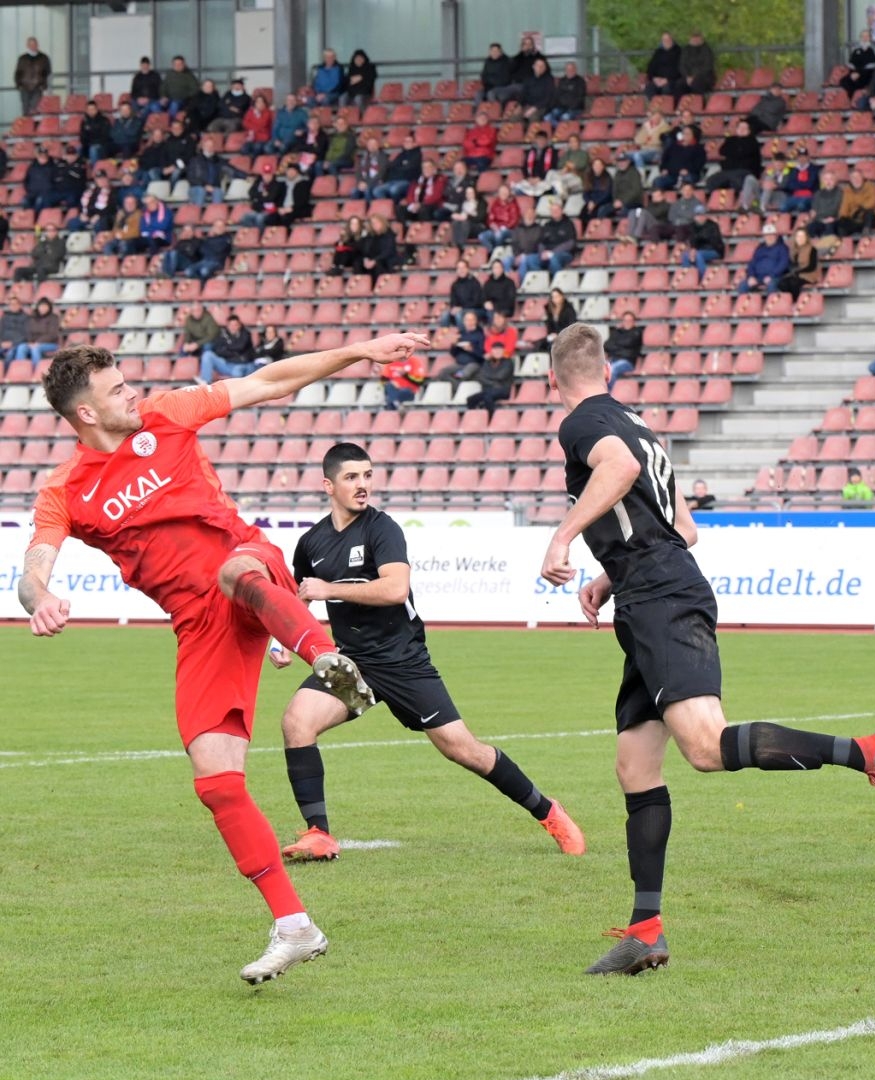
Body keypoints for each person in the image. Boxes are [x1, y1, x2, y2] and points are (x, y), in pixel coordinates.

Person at [19, 334, 429, 983]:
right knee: (215, 781)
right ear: (87, 414)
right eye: (117, 390)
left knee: (236, 571)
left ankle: (330, 661)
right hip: (199, 625)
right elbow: (33, 565)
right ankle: (295, 926)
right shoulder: (67, 490)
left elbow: (271, 381)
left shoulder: (170, 414)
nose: (133, 392)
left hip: (247, 563)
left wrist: (360, 351)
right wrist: (40, 595)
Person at [541, 323, 875, 974]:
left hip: (661, 598)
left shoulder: (581, 425)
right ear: (608, 370)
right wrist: (610, 575)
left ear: (555, 382)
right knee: (635, 765)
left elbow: (620, 471)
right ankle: (646, 929)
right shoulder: (642, 428)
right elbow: (683, 526)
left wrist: (562, 538)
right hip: (646, 593)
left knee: (706, 747)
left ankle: (866, 752)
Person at [276, 442, 583, 861]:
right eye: (352, 477)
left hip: (403, 662)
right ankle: (319, 834)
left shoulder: (382, 529)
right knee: (297, 721)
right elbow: (298, 600)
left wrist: (328, 588)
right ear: (328, 485)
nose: (362, 485)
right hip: (354, 663)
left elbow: (394, 588)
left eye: (367, 475)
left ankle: (549, 812)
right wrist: (282, 642)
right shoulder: (312, 542)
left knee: (464, 750)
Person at [199, 314, 257, 384]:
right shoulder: (222, 334)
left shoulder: (245, 334)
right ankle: (205, 382)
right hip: (227, 363)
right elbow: (218, 350)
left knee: (238, 372)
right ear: (228, 326)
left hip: (240, 364)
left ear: (239, 325)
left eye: (235, 325)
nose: (233, 327)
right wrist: (232, 352)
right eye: (231, 325)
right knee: (207, 354)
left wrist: (227, 347)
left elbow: (240, 347)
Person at [737, 223, 791, 294]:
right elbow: (752, 263)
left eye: (771, 234)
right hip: (758, 277)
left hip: (776, 277)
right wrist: (751, 276)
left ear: (776, 235)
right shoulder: (760, 248)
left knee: (772, 285)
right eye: (767, 235)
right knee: (742, 285)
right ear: (764, 236)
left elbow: (783, 264)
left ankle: (772, 304)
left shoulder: (782, 248)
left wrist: (772, 275)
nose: (769, 237)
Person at [11, 297, 61, 365]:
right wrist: (30, 342)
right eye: (41, 306)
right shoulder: (32, 318)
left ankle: (36, 370)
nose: (43, 308)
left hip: (50, 344)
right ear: (38, 307)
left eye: (45, 306)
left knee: (35, 349)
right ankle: (20, 369)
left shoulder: (54, 318)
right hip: (32, 343)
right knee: (21, 347)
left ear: (49, 307)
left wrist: (38, 342)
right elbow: (27, 331)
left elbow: (52, 334)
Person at [15, 36, 51, 117]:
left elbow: (47, 71)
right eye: (30, 44)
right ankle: (26, 128)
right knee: (25, 109)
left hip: (38, 87)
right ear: (27, 45)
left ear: (37, 45)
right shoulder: (22, 58)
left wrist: (43, 85)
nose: (32, 46)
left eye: (34, 44)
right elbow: (18, 73)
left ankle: (34, 127)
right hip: (24, 87)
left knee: (35, 109)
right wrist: (18, 85)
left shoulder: (44, 58)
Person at [840, 27, 875, 96]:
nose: (865, 38)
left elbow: (874, 64)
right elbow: (851, 63)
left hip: (868, 74)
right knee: (843, 81)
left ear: (870, 38)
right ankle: (851, 100)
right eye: (863, 36)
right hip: (856, 73)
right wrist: (853, 73)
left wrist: (859, 73)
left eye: (867, 36)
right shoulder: (856, 50)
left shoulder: (874, 49)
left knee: (859, 81)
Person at [604, 312, 643, 381]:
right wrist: (621, 347)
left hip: (627, 362)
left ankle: (608, 391)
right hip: (613, 360)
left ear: (634, 322)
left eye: (630, 320)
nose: (627, 322)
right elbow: (607, 345)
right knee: (599, 371)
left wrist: (615, 345)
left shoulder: (637, 332)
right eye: (625, 320)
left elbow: (629, 342)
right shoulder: (617, 332)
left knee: (612, 369)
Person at [646, 32, 684, 98]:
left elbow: (679, 70)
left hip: (672, 80)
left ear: (672, 40)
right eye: (664, 40)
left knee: (667, 89)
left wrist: (667, 80)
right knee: (649, 88)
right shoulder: (658, 53)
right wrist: (654, 78)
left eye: (668, 39)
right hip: (657, 80)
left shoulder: (679, 52)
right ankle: (654, 107)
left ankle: (666, 107)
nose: (666, 42)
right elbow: (650, 68)